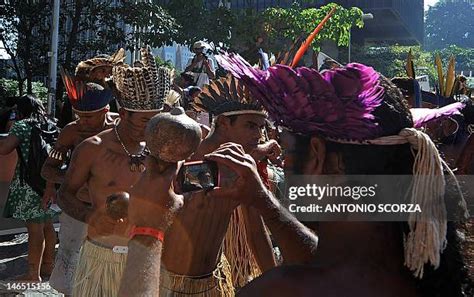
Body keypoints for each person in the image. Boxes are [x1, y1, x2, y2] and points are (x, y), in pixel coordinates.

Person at [216, 53, 471, 296]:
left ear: (319, 155)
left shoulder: (277, 291)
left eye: (289, 151)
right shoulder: (424, 278)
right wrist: (261, 200)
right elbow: (327, 257)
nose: (283, 163)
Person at [57, 47, 171, 296]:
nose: (152, 128)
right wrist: (93, 217)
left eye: (156, 120)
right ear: (124, 114)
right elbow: (64, 195)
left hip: (147, 259)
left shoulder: (162, 151)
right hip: (101, 256)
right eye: (144, 121)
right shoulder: (92, 149)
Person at [157, 76, 279, 296]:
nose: (258, 135)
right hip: (166, 283)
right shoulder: (182, 159)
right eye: (251, 126)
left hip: (214, 283)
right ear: (223, 123)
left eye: (261, 127)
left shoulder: (242, 171)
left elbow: (257, 234)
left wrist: (279, 287)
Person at [41, 66, 118, 295]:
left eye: (88, 117)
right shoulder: (70, 132)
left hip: (110, 213)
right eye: (78, 116)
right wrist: (74, 177)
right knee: (70, 268)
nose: (82, 122)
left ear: (105, 110)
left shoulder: (120, 130)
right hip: (77, 209)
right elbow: (48, 168)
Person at [0, 95, 59, 281]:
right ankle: (48, 267)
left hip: (29, 185)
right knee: (48, 226)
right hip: (49, 183)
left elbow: (4, 149)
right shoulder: (50, 124)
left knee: (34, 230)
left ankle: (32, 274)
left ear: (21, 109)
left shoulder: (22, 125)